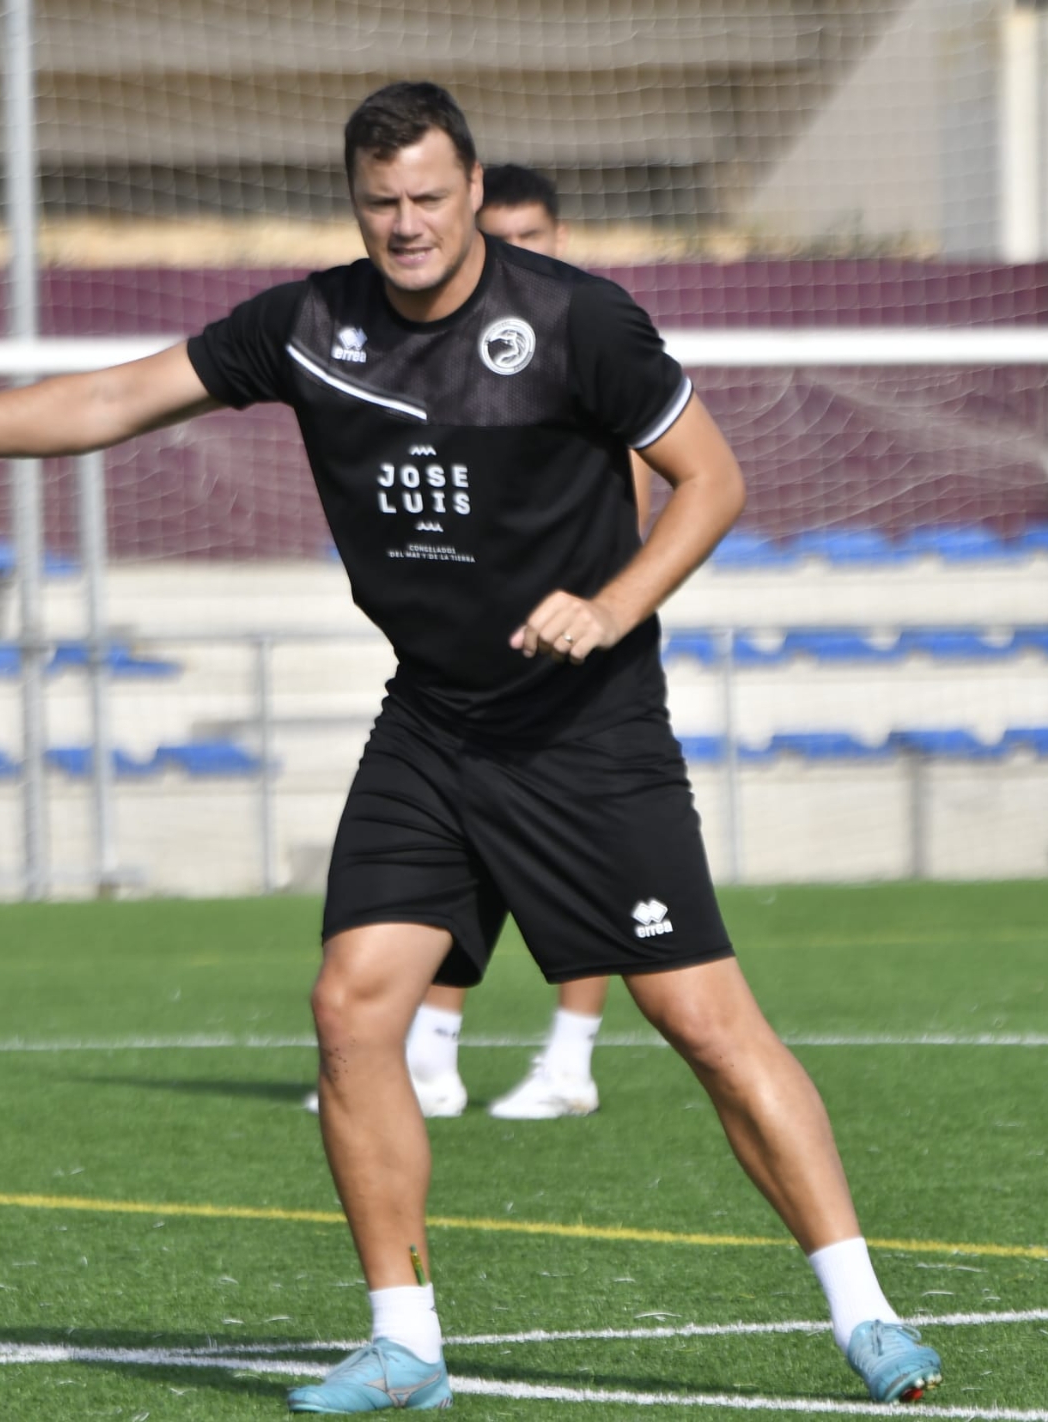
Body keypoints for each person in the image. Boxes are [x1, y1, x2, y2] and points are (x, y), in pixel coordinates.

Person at [0, 82, 942, 1410]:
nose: (407, 223)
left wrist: (612, 606)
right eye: (381, 202)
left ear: (474, 190)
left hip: (583, 731)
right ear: (354, 203)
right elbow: (111, 399)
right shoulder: (308, 325)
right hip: (432, 722)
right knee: (350, 1005)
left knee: (702, 1021)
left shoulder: (577, 321)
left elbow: (713, 480)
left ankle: (865, 1312)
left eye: (429, 197)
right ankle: (404, 1342)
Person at [397, 162, 653, 1122]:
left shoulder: (587, 334)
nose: (515, 256)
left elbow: (640, 493)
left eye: (531, 238)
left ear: (560, 236)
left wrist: (602, 609)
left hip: (578, 660)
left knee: (583, 860)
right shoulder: (451, 351)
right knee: (463, 848)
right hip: (478, 654)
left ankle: (570, 1060)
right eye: (500, 239)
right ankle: (429, 1058)